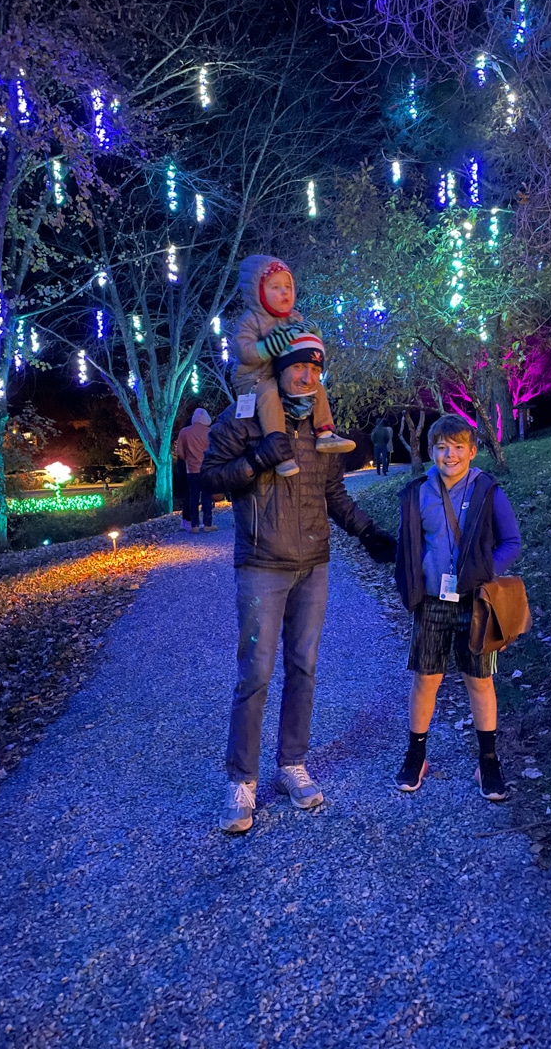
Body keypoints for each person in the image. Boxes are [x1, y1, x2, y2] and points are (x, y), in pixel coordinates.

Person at [201, 331, 397, 834]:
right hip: (262, 564)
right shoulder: (243, 416)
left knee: (303, 669)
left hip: (314, 565)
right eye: (299, 367)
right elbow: (209, 477)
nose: (307, 377)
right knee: (255, 674)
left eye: (315, 369)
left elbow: (333, 493)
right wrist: (257, 459)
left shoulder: (320, 427)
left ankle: (292, 764)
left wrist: (368, 532)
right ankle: (241, 779)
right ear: (280, 368)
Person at [393, 414, 521, 801]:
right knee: (425, 679)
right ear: (431, 451)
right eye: (442, 447)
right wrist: (411, 585)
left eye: (458, 447)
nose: (450, 455)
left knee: (480, 681)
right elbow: (408, 545)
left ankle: (488, 762)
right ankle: (416, 756)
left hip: (476, 604)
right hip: (432, 602)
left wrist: (484, 573)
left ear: (472, 451)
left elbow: (511, 542)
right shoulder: (417, 492)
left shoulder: (487, 490)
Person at [231, 254, 355, 478]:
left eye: (287, 287)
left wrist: (313, 333)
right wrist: (267, 347)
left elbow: (306, 345)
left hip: (284, 374)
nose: (284, 292)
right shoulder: (251, 320)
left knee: (316, 386)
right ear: (258, 292)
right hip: (254, 378)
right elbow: (243, 350)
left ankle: (325, 433)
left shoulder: (293, 317)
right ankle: (278, 449)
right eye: (275, 287)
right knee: (269, 393)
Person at [176, 408, 217, 532]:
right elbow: (215, 451)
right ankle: (207, 524)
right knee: (206, 496)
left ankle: (194, 525)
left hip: (191, 469)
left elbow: (179, 452)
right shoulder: (210, 432)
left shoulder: (184, 432)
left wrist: (188, 459)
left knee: (193, 497)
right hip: (206, 469)